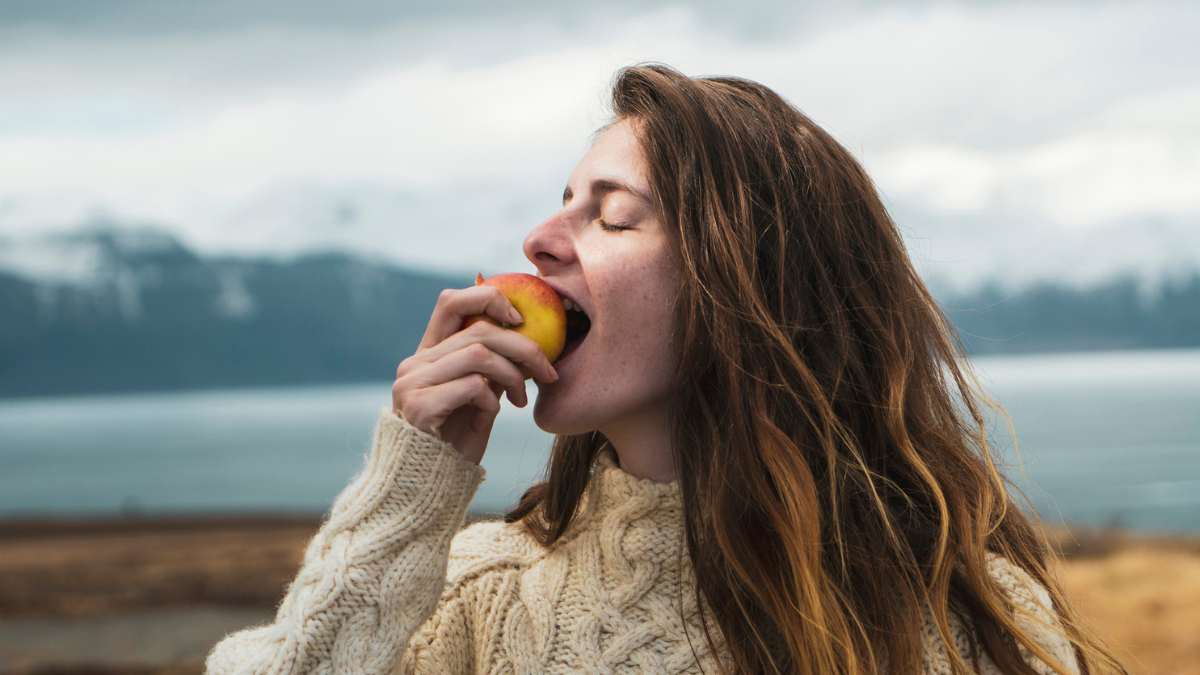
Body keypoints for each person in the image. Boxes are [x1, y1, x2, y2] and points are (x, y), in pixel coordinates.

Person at [206, 65, 1126, 675]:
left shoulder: (965, 616)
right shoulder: (477, 600)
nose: (537, 240)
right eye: (561, 202)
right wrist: (405, 495)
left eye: (611, 216)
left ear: (745, 279)